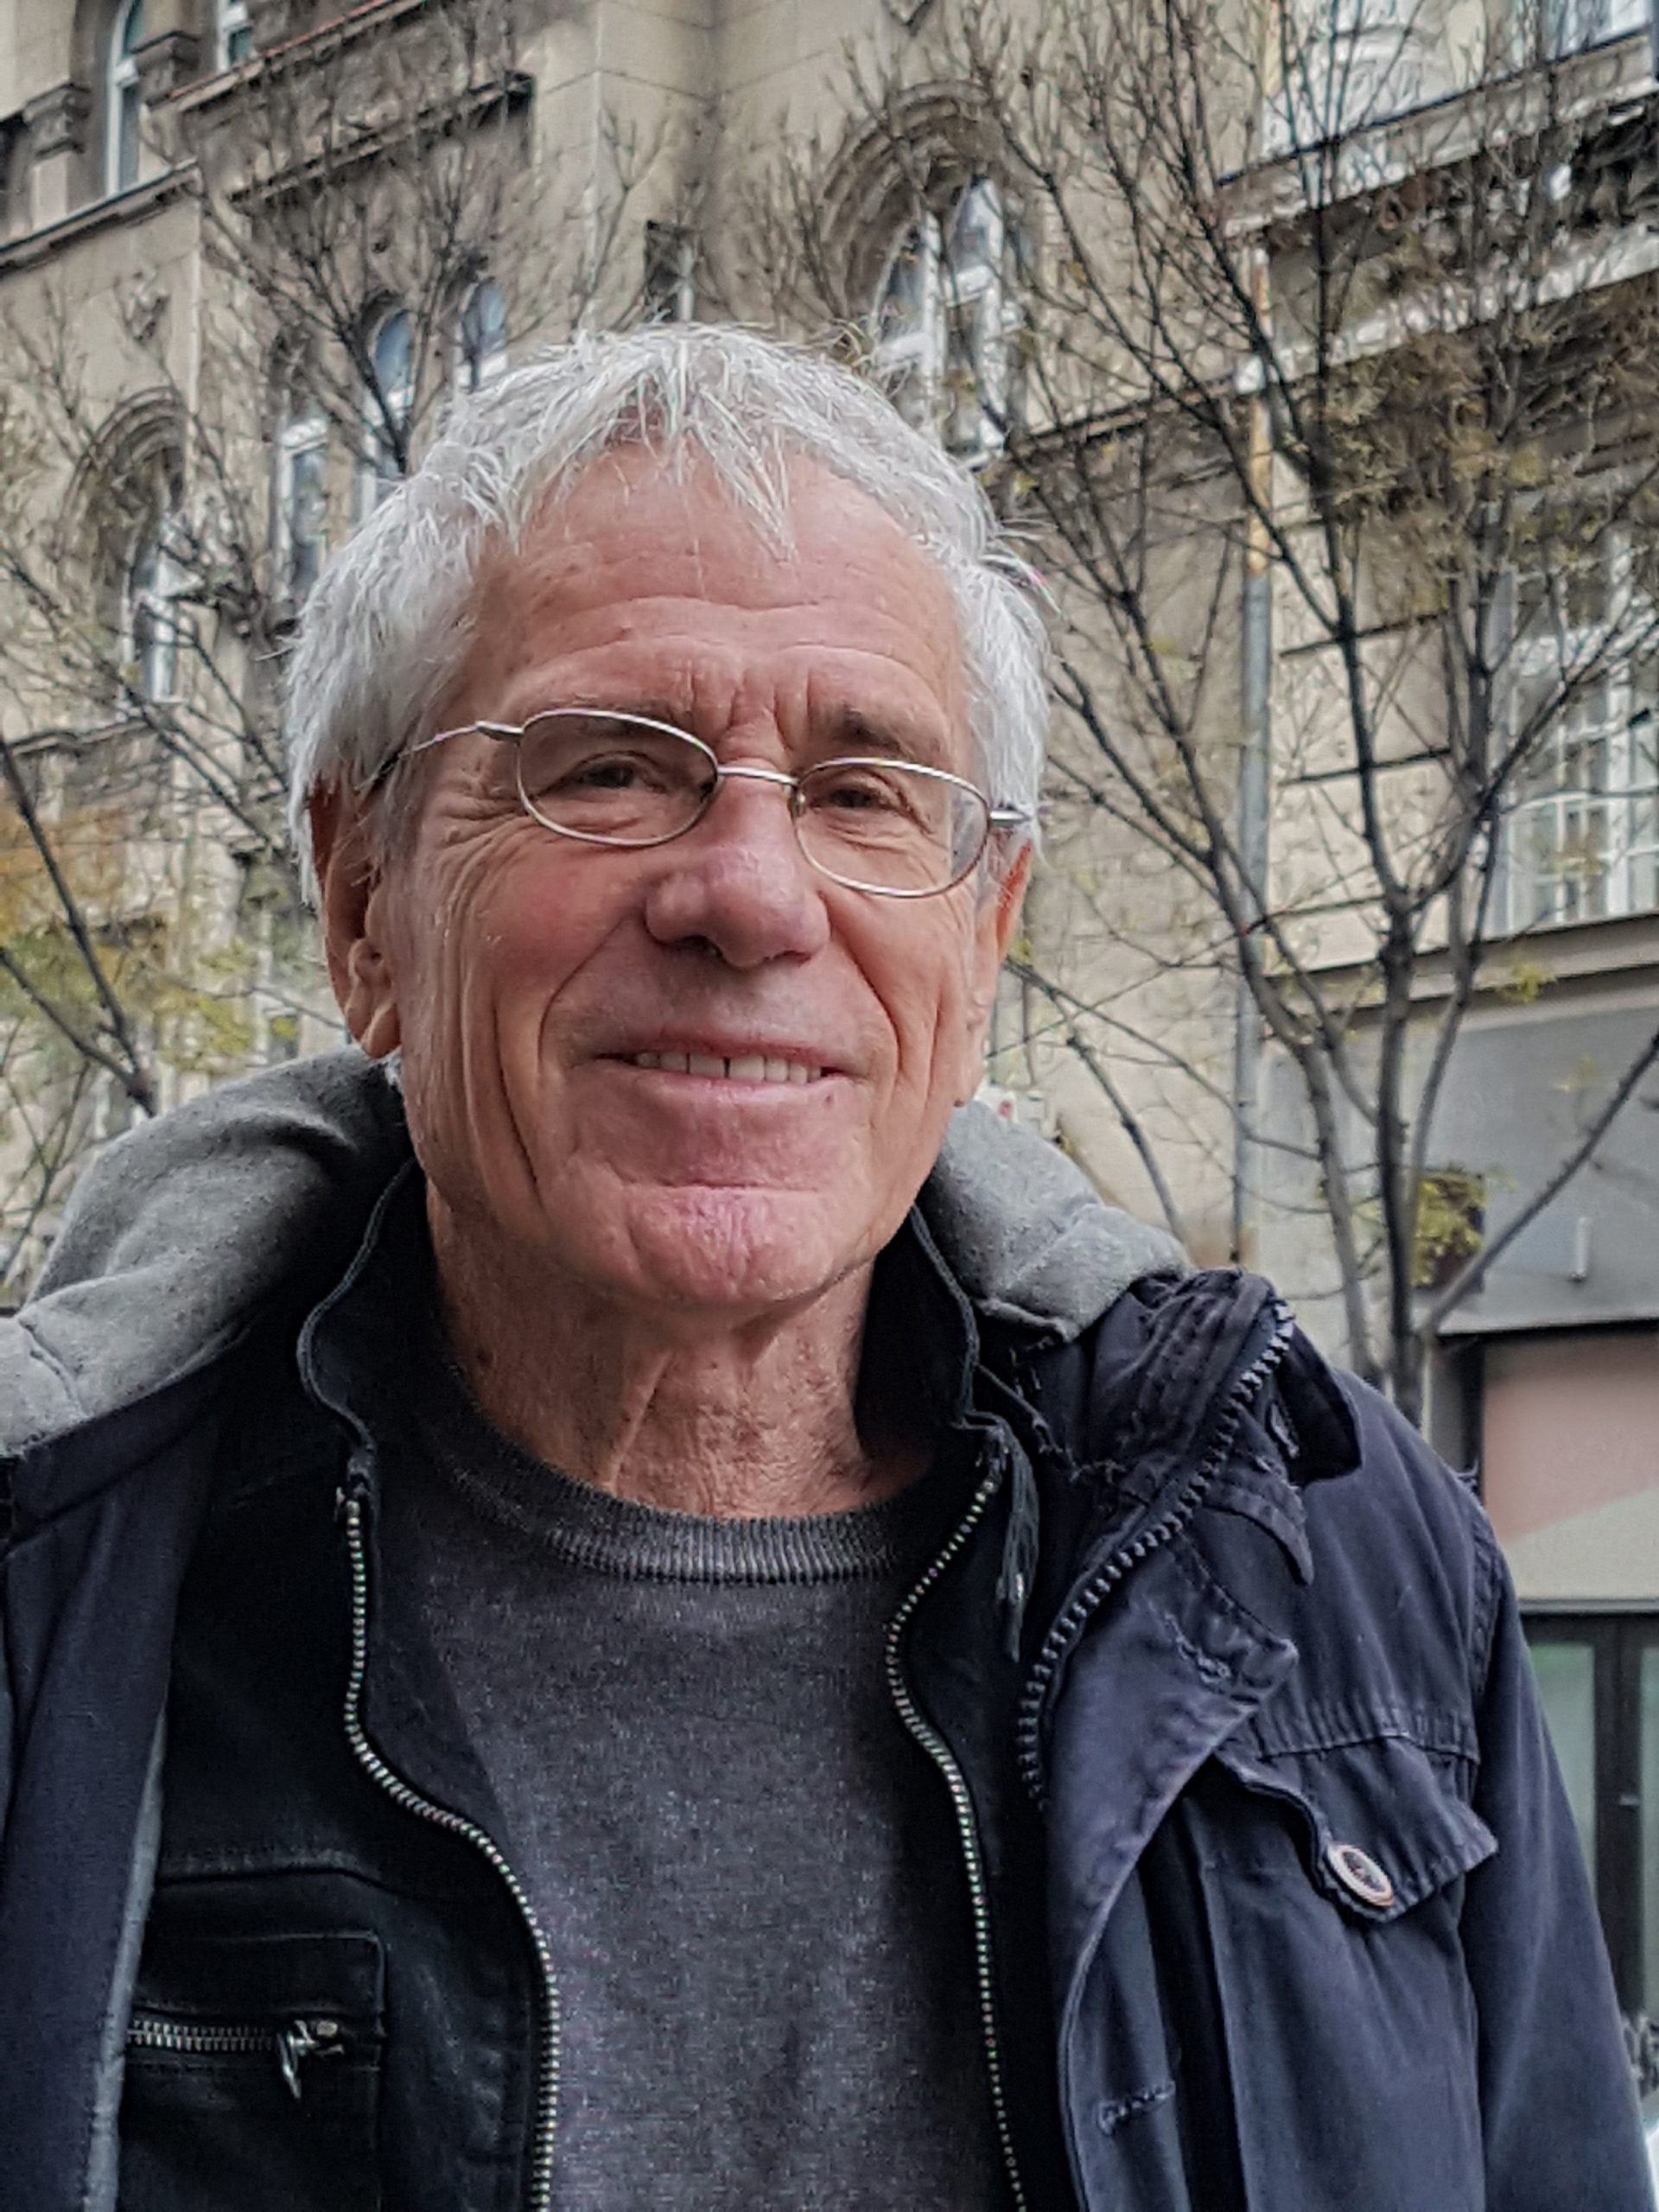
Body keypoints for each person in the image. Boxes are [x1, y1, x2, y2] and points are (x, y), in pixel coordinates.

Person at [0, 327, 1646, 2212]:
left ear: (988, 935)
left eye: (865, 793)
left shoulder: (1336, 1562)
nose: (756, 896)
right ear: (362, 897)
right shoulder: (64, 1597)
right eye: (611, 769)